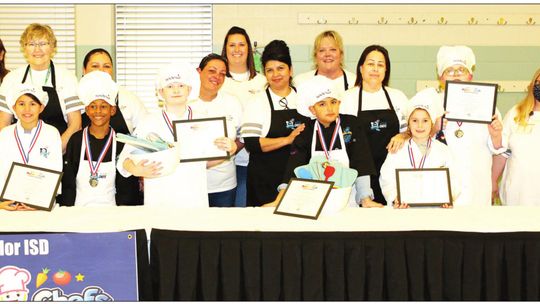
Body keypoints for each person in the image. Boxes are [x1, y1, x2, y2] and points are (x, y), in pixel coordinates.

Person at [117, 62, 235, 207]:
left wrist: (229, 149)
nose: (176, 90)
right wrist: (136, 169)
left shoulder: (204, 120)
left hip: (194, 198)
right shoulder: (149, 122)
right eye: (170, 86)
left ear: (189, 89)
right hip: (158, 198)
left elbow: (208, 161)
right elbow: (124, 158)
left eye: (181, 85)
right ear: (160, 92)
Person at [410, 45, 504, 206]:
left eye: (461, 70)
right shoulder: (430, 103)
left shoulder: (488, 105)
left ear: (470, 76)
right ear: (440, 77)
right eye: (449, 71)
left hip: (478, 188)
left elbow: (499, 149)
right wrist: (434, 128)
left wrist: (496, 134)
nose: (456, 75)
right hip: (439, 187)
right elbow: (412, 142)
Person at [266, 75, 380, 208]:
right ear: (312, 110)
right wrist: (280, 198)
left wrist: (365, 198)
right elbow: (294, 167)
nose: (330, 108)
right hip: (313, 202)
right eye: (322, 104)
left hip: (347, 201)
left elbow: (362, 162)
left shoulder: (352, 124)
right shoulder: (305, 131)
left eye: (333, 102)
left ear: (339, 103)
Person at [58, 71, 141, 206]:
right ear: (87, 110)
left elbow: (126, 188)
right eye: (93, 107)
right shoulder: (76, 140)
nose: (98, 111)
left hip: (111, 213)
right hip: (78, 212)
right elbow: (68, 181)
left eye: (103, 106)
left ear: (112, 110)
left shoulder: (121, 143)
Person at [340, 45, 410, 205]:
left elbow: (413, 131)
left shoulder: (398, 97)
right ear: (361, 68)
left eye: (380, 65)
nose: (375, 69)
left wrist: (403, 135)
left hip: (391, 174)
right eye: (371, 64)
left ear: (386, 70)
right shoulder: (346, 98)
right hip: (359, 175)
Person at [241, 40, 307, 207]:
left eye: (280, 68)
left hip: (299, 178)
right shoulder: (256, 101)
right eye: (270, 70)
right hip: (264, 180)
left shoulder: (305, 99)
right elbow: (252, 143)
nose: (275, 74)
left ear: (291, 70)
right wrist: (287, 139)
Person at [0, 23, 83, 152]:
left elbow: (75, 124)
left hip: (58, 153)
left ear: (52, 47)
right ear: (24, 48)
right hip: (18, 154)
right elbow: (3, 123)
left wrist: (53, 152)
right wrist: (16, 152)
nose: (37, 50)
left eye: (43, 44)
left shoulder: (67, 78)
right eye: (31, 44)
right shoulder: (11, 79)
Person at [379, 99, 460, 208]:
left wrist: (448, 197)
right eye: (415, 121)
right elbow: (386, 178)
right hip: (405, 209)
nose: (420, 126)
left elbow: (454, 179)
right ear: (408, 123)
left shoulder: (443, 150)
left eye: (425, 120)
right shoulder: (398, 149)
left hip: (436, 211)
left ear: (432, 123)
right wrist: (395, 198)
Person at [220, 26, 267, 207]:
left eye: (241, 44)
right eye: (232, 45)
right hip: (228, 162)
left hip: (257, 160)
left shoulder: (262, 81)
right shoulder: (220, 81)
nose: (237, 49)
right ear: (225, 49)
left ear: (249, 49)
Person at [190, 53, 243, 207]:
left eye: (222, 74)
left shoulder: (232, 102)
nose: (217, 77)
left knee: (221, 229)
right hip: (191, 183)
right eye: (212, 71)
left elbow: (242, 137)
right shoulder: (185, 102)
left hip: (224, 184)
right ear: (199, 72)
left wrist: (232, 149)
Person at [0, 83, 62, 210]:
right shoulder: (5, 134)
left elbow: (56, 169)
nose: (27, 109)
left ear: (41, 107)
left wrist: (41, 202)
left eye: (33, 104)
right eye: (21, 104)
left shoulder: (51, 133)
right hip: (9, 204)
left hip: (41, 205)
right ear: (14, 108)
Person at [492, 68, 540, 206]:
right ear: (532, 85)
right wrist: (493, 180)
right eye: (538, 82)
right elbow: (503, 151)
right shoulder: (515, 113)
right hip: (517, 193)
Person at [81, 48, 148, 135]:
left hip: (124, 149)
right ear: (84, 70)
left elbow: (145, 131)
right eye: (95, 66)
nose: (101, 71)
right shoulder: (74, 97)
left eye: (106, 66)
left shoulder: (128, 97)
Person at [293, 30, 355, 99]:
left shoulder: (355, 82)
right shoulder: (300, 82)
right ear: (315, 56)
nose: (327, 54)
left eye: (333, 49)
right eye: (322, 50)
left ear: (341, 54)